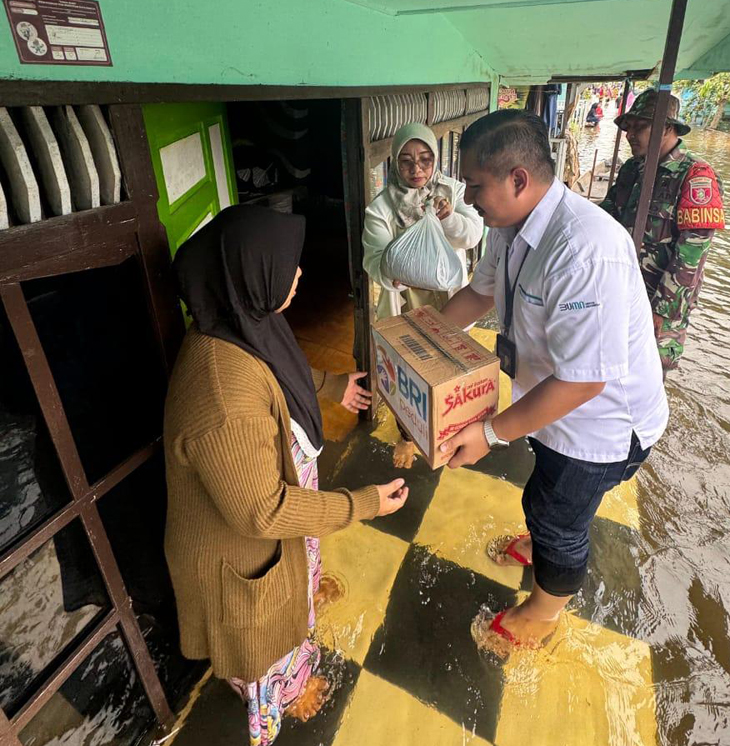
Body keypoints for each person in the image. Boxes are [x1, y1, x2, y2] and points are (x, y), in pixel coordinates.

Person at [164, 205, 409, 744]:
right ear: (247, 276)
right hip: (247, 547)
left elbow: (280, 365)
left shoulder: (240, 323)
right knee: (261, 640)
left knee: (289, 594)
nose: (299, 275)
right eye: (285, 267)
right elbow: (263, 511)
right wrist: (362, 502)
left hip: (275, 528)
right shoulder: (220, 393)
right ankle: (285, 697)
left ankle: (295, 639)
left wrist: (327, 385)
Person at [437, 110, 669, 654]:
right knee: (545, 492)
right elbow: (480, 295)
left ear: (518, 179)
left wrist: (492, 434)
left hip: (600, 426)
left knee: (558, 514)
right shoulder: (508, 225)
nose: (469, 198)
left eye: (475, 185)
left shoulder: (586, 247)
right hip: (550, 405)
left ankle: (543, 613)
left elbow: (584, 383)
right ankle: (545, 545)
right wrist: (415, 339)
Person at [363, 122, 483, 468]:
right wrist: (396, 271)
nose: (417, 170)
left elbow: (473, 235)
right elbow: (374, 259)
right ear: (394, 163)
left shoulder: (453, 192)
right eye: (406, 162)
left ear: (436, 160)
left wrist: (446, 219)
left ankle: (450, 428)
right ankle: (407, 434)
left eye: (425, 160)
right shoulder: (381, 207)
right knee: (407, 374)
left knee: (450, 366)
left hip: (450, 300)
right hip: (405, 302)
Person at [599, 88, 725, 375]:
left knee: (649, 371)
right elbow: (606, 217)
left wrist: (662, 311)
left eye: (639, 126)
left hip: (660, 297)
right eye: (628, 127)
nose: (630, 134)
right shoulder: (633, 168)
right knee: (612, 365)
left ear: (667, 128)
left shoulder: (695, 176)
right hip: (619, 288)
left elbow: (691, 255)